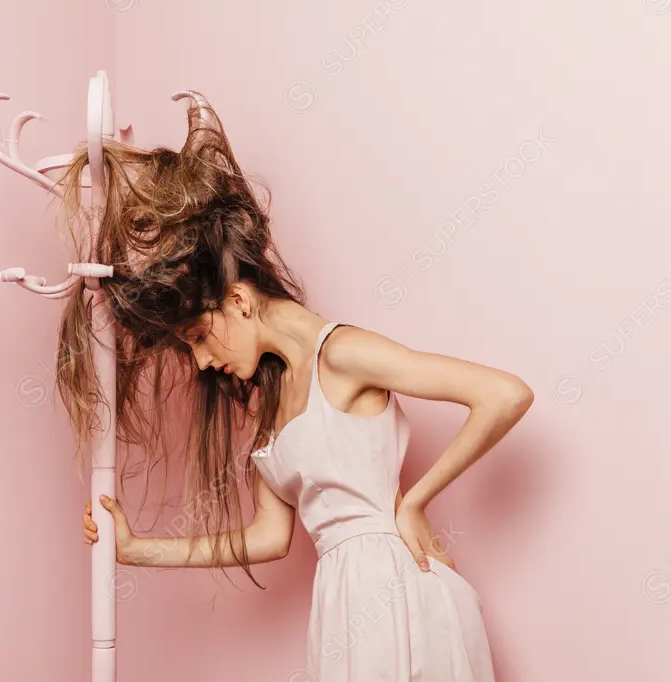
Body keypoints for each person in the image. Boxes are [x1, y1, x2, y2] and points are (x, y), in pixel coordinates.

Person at [60, 93, 533, 681]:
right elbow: (268, 536)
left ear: (237, 300)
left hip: (396, 588)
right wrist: (137, 549)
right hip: (342, 602)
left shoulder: (344, 354)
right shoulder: (271, 401)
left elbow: (505, 394)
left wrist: (413, 502)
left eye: (199, 337)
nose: (203, 362)